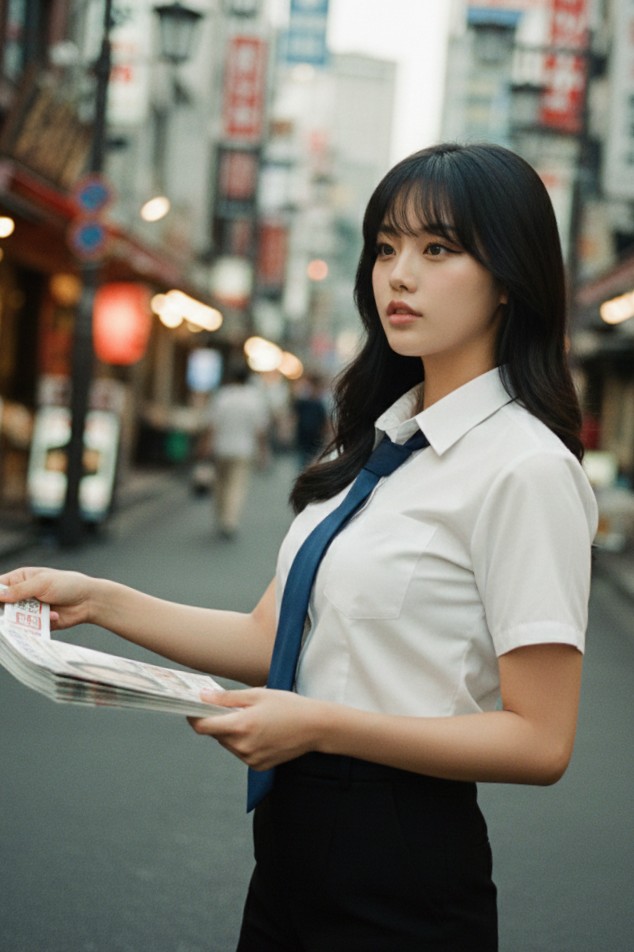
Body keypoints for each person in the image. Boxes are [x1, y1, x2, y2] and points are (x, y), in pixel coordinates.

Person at [0, 143, 597, 951]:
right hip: (290, 846)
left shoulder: (526, 468)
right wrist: (102, 601)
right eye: (385, 247)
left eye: (438, 249)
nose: (399, 275)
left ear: (508, 278)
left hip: (404, 862)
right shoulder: (369, 443)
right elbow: (264, 638)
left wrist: (321, 725)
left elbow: (540, 739)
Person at [205, 363, 269, 539]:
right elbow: (260, 430)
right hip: (244, 449)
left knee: (220, 485)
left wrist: (205, 445)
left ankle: (221, 516)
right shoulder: (254, 399)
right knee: (236, 486)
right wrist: (263, 452)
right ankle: (229, 521)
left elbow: (212, 425)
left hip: (221, 447)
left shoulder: (222, 396)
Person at [292, 373, 329, 469]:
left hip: (314, 440)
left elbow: (325, 423)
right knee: (303, 464)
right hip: (304, 440)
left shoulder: (319, 404)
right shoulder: (303, 402)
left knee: (310, 464)